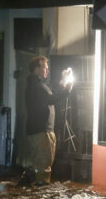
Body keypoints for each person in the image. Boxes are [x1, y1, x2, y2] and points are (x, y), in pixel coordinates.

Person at [19, 55, 73, 186]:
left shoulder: (38, 86)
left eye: (48, 68)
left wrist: (62, 85)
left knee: (37, 164)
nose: (47, 71)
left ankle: (25, 185)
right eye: (45, 68)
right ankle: (40, 196)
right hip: (41, 132)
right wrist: (67, 90)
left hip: (41, 131)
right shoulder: (35, 86)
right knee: (43, 166)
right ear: (36, 69)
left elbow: (50, 96)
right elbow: (51, 99)